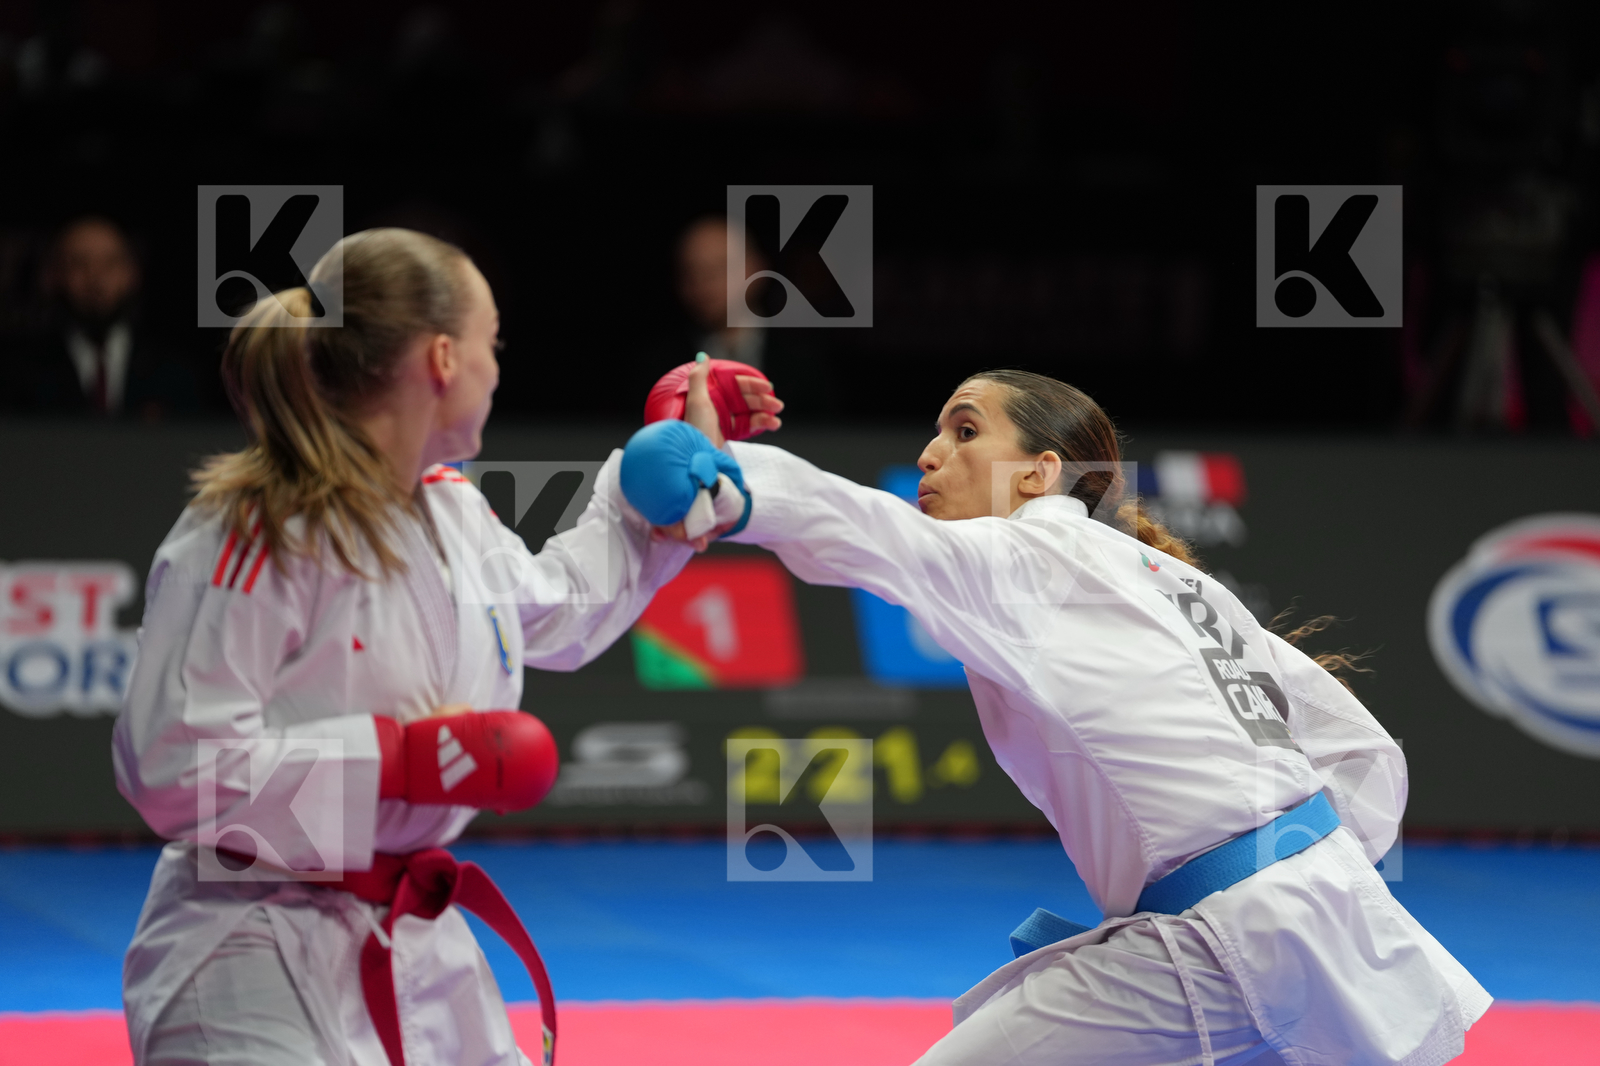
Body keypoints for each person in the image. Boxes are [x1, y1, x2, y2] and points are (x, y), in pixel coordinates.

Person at [629, 365, 1489, 1066]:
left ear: (1040, 475)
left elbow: (874, 535)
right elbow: (1357, 750)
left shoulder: (1032, 549)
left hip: (1221, 940)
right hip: (1326, 925)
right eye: (935, 432)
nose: (931, 454)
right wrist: (1307, 884)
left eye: (965, 432)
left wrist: (725, 480)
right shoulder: (1181, 584)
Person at [113, 228, 781, 1066]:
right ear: (440, 359)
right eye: (489, 343)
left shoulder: (450, 511)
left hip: (414, 945)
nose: (496, 367)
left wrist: (655, 480)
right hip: (249, 950)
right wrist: (394, 762)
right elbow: (167, 768)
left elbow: (562, 612)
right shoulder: (255, 527)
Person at [8, 216, 199, 417]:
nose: (95, 279)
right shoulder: (17, 372)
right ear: (52, 275)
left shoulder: (175, 373)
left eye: (110, 263)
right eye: (79, 264)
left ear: (133, 273)